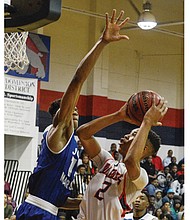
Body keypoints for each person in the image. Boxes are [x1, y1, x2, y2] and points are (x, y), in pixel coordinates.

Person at [16, 8, 130, 220]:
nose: (75, 112)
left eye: (76, 111)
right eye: (71, 110)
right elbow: (77, 80)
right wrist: (102, 43)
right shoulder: (57, 133)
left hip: (48, 211)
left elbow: (57, 195)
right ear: (60, 116)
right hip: (37, 211)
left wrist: (89, 199)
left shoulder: (72, 146)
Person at [75, 94, 167, 218]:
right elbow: (83, 134)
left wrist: (147, 122)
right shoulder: (107, 161)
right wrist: (118, 116)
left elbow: (130, 161)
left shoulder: (142, 177)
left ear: (143, 148)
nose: (125, 136)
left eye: (132, 136)